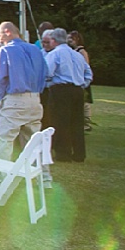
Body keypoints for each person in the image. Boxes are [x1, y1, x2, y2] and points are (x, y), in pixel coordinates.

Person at [0, 21, 46, 161]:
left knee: (4, 139)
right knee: (34, 141)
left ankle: (2, 179)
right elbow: (44, 74)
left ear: (7, 32)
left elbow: (0, 80)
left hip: (14, 98)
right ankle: (41, 176)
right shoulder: (36, 49)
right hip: (36, 98)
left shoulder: (5, 50)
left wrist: (1, 99)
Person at [42, 28, 92, 162]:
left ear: (53, 40)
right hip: (77, 91)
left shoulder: (55, 54)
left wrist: (48, 83)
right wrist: (82, 84)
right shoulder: (76, 54)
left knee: (60, 122)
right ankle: (79, 154)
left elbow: (47, 73)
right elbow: (88, 73)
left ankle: (63, 154)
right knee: (76, 122)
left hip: (61, 90)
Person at [67, 30, 95, 131]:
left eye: (71, 39)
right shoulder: (74, 51)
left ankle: (87, 123)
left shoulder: (82, 52)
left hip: (82, 80)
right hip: (78, 79)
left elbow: (85, 66)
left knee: (85, 102)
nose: (69, 41)